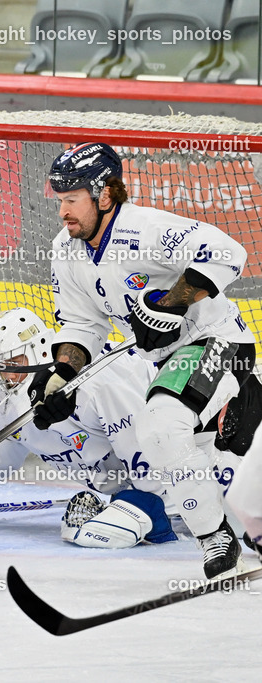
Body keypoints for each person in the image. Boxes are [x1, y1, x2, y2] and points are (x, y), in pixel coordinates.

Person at [33, 141, 261, 578]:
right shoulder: (66, 250)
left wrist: (172, 304)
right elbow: (82, 328)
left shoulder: (147, 228)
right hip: (168, 364)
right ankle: (246, 408)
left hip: (219, 343)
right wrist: (62, 376)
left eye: (72, 199)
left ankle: (216, 539)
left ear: (104, 195)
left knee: (159, 427)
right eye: (60, 200)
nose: (63, 211)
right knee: (216, 463)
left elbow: (228, 252)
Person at [0, 307, 249, 548]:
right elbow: (0, 445)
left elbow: (152, 456)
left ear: (38, 350)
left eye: (14, 363)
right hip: (141, 475)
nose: (5, 375)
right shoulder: (7, 395)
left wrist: (153, 505)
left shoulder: (101, 382)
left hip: (202, 446)